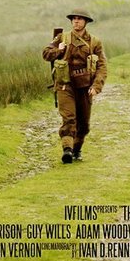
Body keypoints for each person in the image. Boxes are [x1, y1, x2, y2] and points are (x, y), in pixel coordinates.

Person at [43, 9, 107, 163]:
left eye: (80, 19)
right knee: (69, 118)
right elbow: (46, 54)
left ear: (86, 22)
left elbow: (102, 66)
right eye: (74, 19)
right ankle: (67, 150)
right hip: (66, 85)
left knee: (83, 124)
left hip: (85, 87)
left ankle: (77, 149)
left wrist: (96, 86)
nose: (76, 21)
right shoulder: (62, 37)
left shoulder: (94, 42)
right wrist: (58, 50)